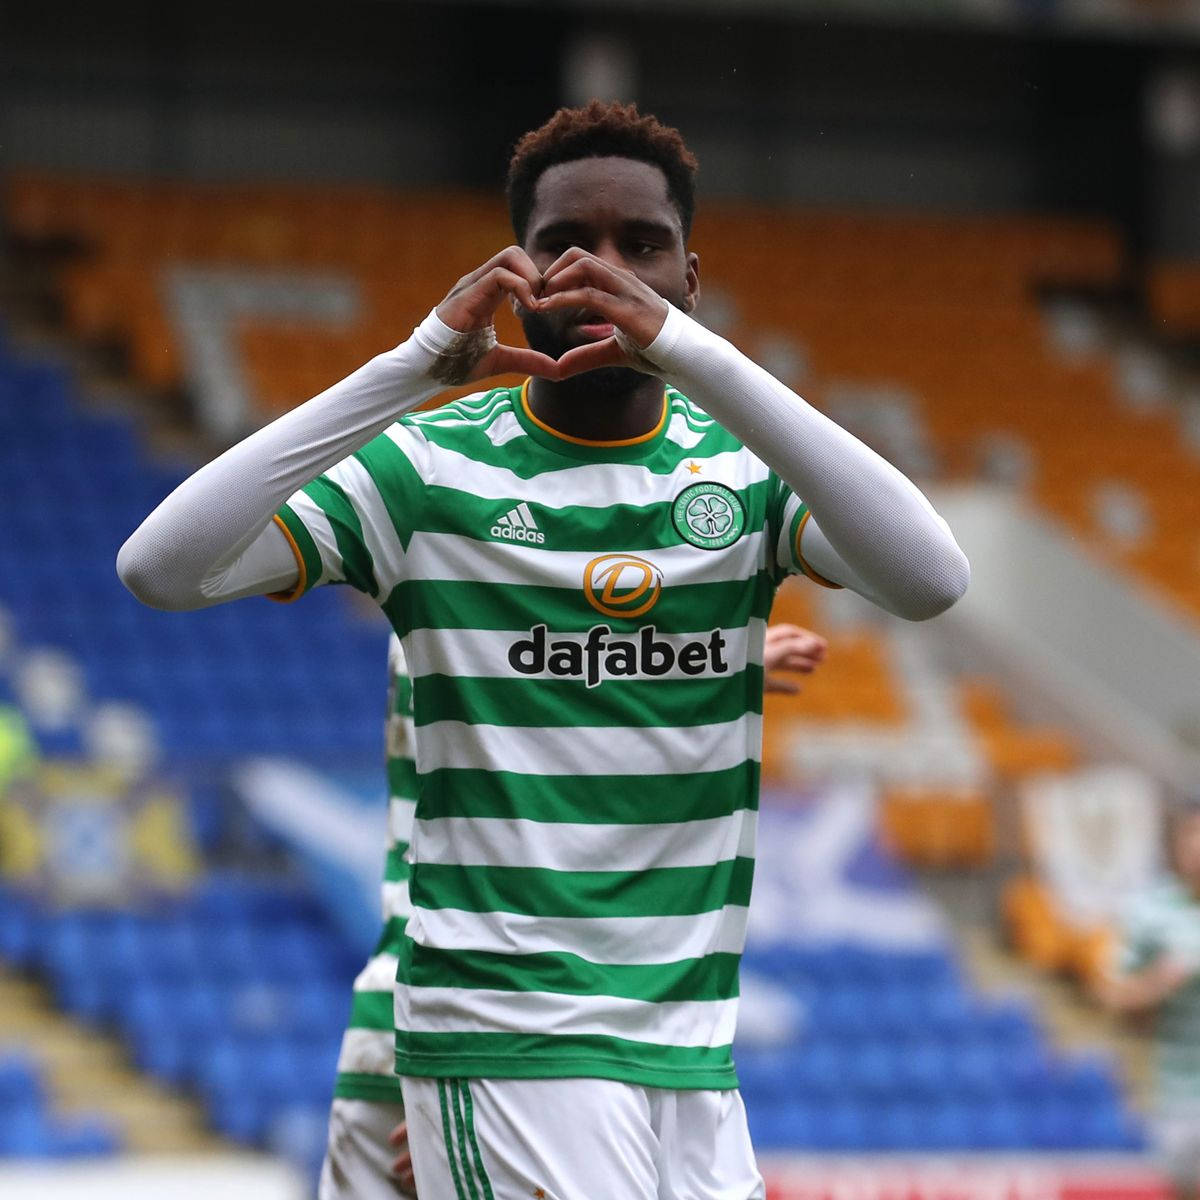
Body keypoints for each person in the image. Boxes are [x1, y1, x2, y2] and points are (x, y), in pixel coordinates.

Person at [117, 100, 968, 1199]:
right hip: (508, 1024)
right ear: (520, 268)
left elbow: (932, 578)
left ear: (691, 278)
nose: (603, 270)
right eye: (568, 242)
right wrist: (415, 365)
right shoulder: (430, 469)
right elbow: (160, 568)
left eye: (642, 247)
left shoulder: (741, 472)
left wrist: (695, 359)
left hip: (686, 1045)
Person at [319, 622, 828, 1200]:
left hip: (497, 1016)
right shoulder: (478, 579)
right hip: (484, 1017)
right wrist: (697, 676)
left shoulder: (467, 580)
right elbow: (551, 783)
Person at [1098, 803, 1200, 1199]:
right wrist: (1158, 982)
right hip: (1173, 1092)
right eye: (1191, 834)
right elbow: (1111, 994)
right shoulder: (1148, 910)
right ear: (1176, 843)